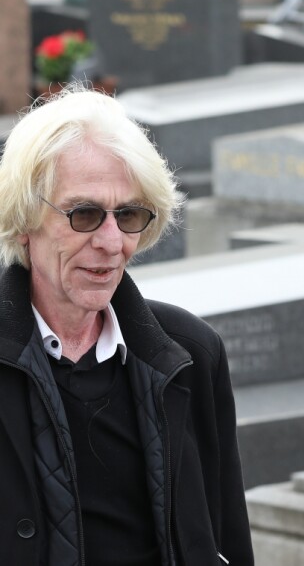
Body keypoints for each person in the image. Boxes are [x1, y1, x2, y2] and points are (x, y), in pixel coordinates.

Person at [0, 86, 254, 565]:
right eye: (85, 214)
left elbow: (225, 535)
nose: (112, 242)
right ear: (23, 220)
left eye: (129, 214)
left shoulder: (191, 352)